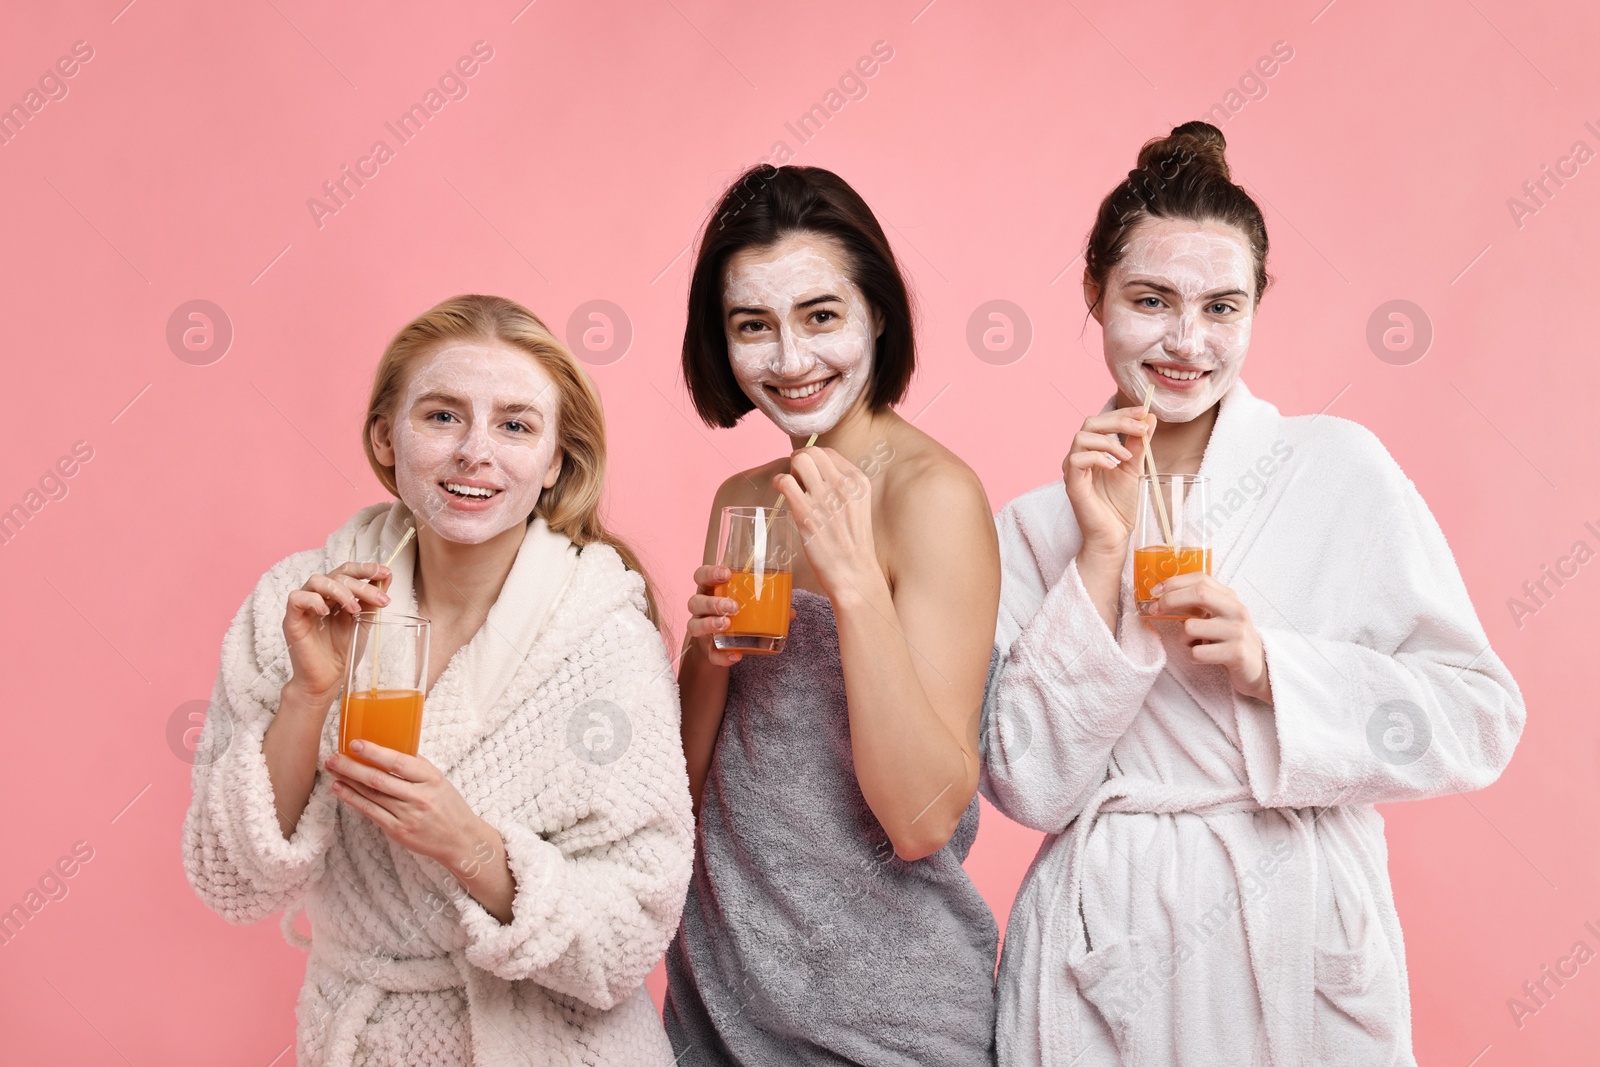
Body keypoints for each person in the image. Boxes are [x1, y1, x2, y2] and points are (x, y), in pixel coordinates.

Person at [981, 122, 1525, 1066]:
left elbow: (1480, 716)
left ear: (1257, 307)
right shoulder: (1033, 527)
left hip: (1296, 930)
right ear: (1092, 295)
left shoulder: (1338, 469)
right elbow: (1028, 784)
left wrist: (1278, 668)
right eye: (1150, 300)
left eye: (1222, 307)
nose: (1187, 341)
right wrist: (1102, 553)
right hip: (1106, 940)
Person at [183, 294, 694, 1066]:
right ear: (386, 437)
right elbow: (231, 879)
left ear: (556, 459)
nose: (474, 453)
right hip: (363, 1038)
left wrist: (470, 846)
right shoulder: (298, 603)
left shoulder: (605, 635)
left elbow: (626, 938)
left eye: (516, 425)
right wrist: (308, 694)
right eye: (443, 416)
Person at [664, 164, 1001, 1065]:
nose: (790, 360)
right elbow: (682, 787)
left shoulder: (933, 496)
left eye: (821, 315)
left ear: (877, 314)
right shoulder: (745, 496)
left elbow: (922, 816)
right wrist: (707, 654)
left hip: (886, 1020)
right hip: (722, 999)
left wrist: (854, 584)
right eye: (752, 327)